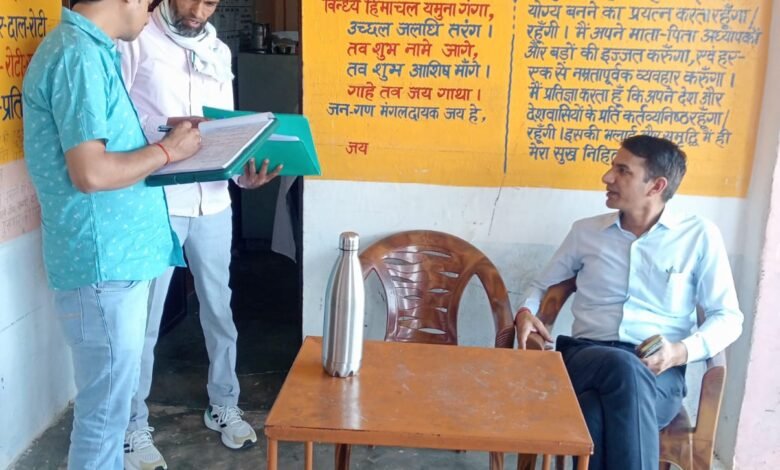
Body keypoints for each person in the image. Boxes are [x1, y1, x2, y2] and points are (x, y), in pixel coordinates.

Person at [21, 0, 202, 468]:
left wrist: (167, 146)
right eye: (151, 3)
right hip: (103, 263)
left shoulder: (91, 50)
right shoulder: (77, 54)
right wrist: (167, 151)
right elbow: (91, 173)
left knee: (110, 414)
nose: (150, 12)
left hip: (116, 260)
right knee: (103, 420)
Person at [116, 0, 282, 468]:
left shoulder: (218, 51)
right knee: (144, 320)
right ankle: (131, 424)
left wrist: (243, 175)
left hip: (212, 201)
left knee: (219, 308)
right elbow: (117, 121)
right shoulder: (135, 41)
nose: (199, 10)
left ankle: (224, 403)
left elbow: (226, 129)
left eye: (210, 3)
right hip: (157, 201)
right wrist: (167, 129)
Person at [514, 135, 743, 470]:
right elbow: (542, 286)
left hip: (658, 373)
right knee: (621, 366)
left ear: (656, 185)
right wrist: (525, 311)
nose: (607, 177)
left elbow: (728, 317)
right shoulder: (585, 232)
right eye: (613, 168)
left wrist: (679, 352)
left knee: (594, 411)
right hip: (586, 357)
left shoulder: (698, 236)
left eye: (623, 171)